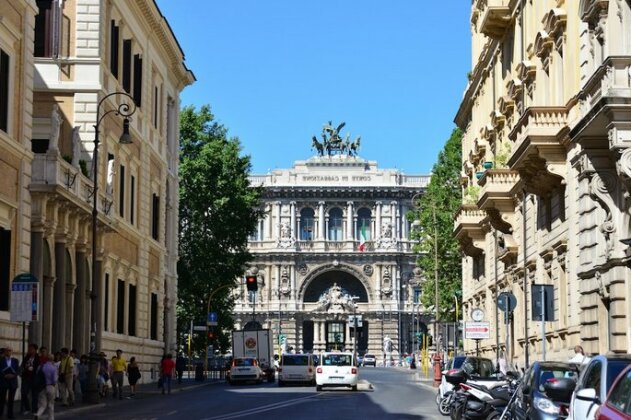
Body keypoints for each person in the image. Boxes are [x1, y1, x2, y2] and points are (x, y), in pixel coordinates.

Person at [34, 347, 57, 420]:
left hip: (42, 386)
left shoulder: (41, 366)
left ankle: (38, 414)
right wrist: (53, 383)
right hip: (50, 386)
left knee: (42, 404)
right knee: (50, 404)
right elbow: (54, 379)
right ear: (53, 359)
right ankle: (51, 418)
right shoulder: (54, 367)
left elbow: (37, 374)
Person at [0, 347, 20, 419]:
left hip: (13, 382)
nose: (8, 352)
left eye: (10, 350)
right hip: (3, 381)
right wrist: (4, 375)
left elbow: (18, 370)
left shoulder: (15, 360)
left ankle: (10, 414)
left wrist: (13, 375)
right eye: (7, 351)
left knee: (11, 400)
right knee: (1, 399)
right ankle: (0, 413)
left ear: (12, 352)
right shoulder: (1, 360)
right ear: (5, 352)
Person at [20, 343, 39, 416]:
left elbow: (38, 367)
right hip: (26, 378)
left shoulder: (38, 358)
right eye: (29, 349)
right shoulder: (26, 357)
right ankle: (27, 408)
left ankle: (34, 410)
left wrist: (32, 369)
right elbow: (23, 365)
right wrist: (23, 369)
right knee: (24, 393)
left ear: (35, 350)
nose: (29, 350)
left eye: (31, 349)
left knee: (35, 395)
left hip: (34, 378)